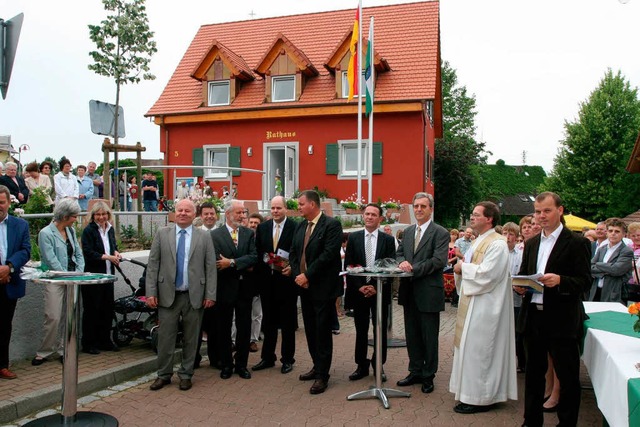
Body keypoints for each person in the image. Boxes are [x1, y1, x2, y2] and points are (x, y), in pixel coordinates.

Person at [517, 192, 591, 427]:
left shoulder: (577, 243)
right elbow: (526, 274)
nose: (541, 216)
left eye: (547, 211)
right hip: (534, 317)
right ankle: (531, 421)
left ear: (560, 210)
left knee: (568, 377)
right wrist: (521, 287)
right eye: (538, 212)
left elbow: (584, 282)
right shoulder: (531, 243)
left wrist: (560, 281)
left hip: (562, 319)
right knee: (534, 375)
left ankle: (567, 423)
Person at [450, 201, 517, 414]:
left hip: (487, 307)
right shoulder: (479, 240)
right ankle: (472, 393)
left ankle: (481, 398)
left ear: (489, 218)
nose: (472, 217)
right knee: (471, 350)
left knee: (481, 351)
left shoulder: (497, 244)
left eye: (476, 214)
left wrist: (462, 268)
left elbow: (488, 274)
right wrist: (461, 269)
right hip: (474, 303)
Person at [146, 199, 217, 391]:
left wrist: (210, 293)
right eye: (180, 210)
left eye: (187, 211)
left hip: (194, 295)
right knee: (165, 337)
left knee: (191, 338)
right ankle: (163, 374)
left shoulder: (203, 237)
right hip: (167, 295)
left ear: (194, 215)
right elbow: (153, 265)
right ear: (174, 213)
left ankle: (186, 374)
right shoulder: (162, 234)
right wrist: (150, 292)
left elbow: (210, 267)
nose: (183, 213)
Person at [285, 189, 342, 394]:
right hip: (304, 287)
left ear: (312, 204)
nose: (298, 207)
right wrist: (297, 277)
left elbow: (328, 255)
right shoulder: (301, 227)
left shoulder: (331, 225)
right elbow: (293, 253)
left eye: (301, 204)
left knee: (322, 331)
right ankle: (316, 366)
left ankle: (322, 376)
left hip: (323, 288)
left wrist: (307, 275)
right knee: (310, 330)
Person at [395, 192, 449, 394]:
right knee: (412, 335)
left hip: (428, 292)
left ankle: (428, 375)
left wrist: (413, 268)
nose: (418, 209)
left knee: (429, 336)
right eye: (416, 206)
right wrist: (402, 262)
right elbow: (399, 252)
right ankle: (415, 371)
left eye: (423, 207)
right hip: (409, 292)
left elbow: (438, 261)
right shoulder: (407, 232)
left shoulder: (440, 233)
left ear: (430, 209)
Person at [344, 203, 396, 381]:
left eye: (374, 214)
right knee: (361, 330)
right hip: (359, 292)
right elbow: (349, 265)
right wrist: (360, 286)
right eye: (367, 214)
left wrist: (376, 286)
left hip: (379, 292)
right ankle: (361, 365)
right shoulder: (354, 237)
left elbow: (391, 266)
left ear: (380, 218)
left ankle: (378, 365)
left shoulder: (388, 240)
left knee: (379, 330)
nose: (369, 217)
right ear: (363, 216)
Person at [32, 199, 84, 366]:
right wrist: (64, 274)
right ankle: (45, 350)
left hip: (73, 278)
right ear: (65, 216)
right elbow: (50, 258)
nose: (76, 219)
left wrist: (79, 271)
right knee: (53, 316)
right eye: (74, 216)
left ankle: (64, 349)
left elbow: (78, 252)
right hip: (55, 279)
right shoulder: (45, 233)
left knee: (69, 317)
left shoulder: (71, 231)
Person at [210, 200, 258, 380]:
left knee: (244, 327)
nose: (243, 216)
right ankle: (226, 364)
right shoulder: (215, 235)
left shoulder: (249, 234)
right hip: (224, 289)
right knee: (223, 328)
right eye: (239, 213)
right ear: (228, 214)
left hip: (244, 288)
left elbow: (254, 257)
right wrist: (242, 263)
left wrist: (231, 262)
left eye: (244, 212)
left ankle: (242, 365)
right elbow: (216, 261)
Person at [252, 196, 298, 374]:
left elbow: (299, 251)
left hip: (286, 281)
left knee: (287, 323)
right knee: (268, 321)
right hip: (267, 281)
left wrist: (292, 268)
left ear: (285, 208)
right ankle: (267, 357)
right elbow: (258, 251)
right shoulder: (263, 227)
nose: (275, 211)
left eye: (279, 208)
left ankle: (287, 359)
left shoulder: (295, 227)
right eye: (273, 208)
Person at [80, 201, 121, 354]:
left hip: (108, 276)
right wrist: (107, 257)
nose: (101, 217)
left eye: (104, 214)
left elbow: (113, 246)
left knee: (107, 309)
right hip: (94, 276)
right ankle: (89, 343)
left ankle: (105, 340)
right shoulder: (88, 231)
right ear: (93, 216)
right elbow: (89, 253)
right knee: (92, 310)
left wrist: (115, 253)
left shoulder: (110, 229)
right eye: (98, 214)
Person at [0, 185, 31, 380]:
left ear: (9, 203)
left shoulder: (20, 225)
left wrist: (9, 267)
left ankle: (2, 365)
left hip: (9, 283)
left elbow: (25, 250)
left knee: (4, 326)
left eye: (1, 202)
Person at [589, 218, 634, 303]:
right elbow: (590, 267)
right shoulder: (602, 249)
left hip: (614, 294)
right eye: (610, 231)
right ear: (607, 233)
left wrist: (598, 264)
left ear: (624, 234)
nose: (613, 234)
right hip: (595, 292)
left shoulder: (626, 251)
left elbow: (616, 270)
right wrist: (608, 269)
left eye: (617, 231)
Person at [503, 221, 525, 373]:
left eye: (511, 234)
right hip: (500, 301)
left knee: (517, 334)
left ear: (516, 237)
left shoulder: (521, 254)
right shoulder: (497, 253)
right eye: (505, 233)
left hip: (516, 300)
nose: (507, 237)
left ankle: (521, 363)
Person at [247, 212, 264, 353]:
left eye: (256, 223)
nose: (253, 225)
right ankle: (234, 340)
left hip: (258, 281)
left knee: (256, 314)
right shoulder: (243, 237)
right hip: (244, 280)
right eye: (251, 222)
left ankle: (253, 339)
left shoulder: (263, 240)